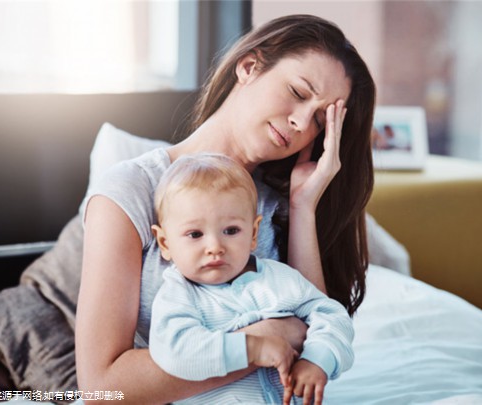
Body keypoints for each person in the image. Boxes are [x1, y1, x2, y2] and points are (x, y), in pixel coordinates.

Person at [76, 14, 375, 404]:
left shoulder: (282, 204)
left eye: (320, 120)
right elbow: (101, 389)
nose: (301, 122)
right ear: (249, 67)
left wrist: (304, 207)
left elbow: (310, 337)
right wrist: (258, 344)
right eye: (299, 93)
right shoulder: (131, 190)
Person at [148, 153, 354, 405]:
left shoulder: (279, 278)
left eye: (231, 231)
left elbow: (332, 315)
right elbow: (175, 352)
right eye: (194, 234)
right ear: (165, 243)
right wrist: (252, 348)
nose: (214, 246)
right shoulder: (178, 295)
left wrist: (317, 359)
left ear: (254, 232)